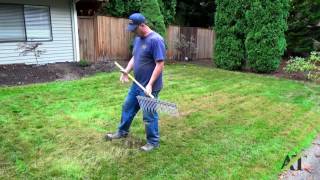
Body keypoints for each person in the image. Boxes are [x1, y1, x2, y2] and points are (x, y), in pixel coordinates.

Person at [105, 13, 166, 152]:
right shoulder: (138, 39)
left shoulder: (156, 40)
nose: (132, 31)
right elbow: (135, 56)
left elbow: (160, 64)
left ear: (142, 25)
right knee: (127, 107)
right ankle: (122, 132)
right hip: (136, 84)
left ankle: (153, 142)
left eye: (134, 28)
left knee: (149, 115)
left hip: (150, 87)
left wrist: (150, 84)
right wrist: (127, 70)